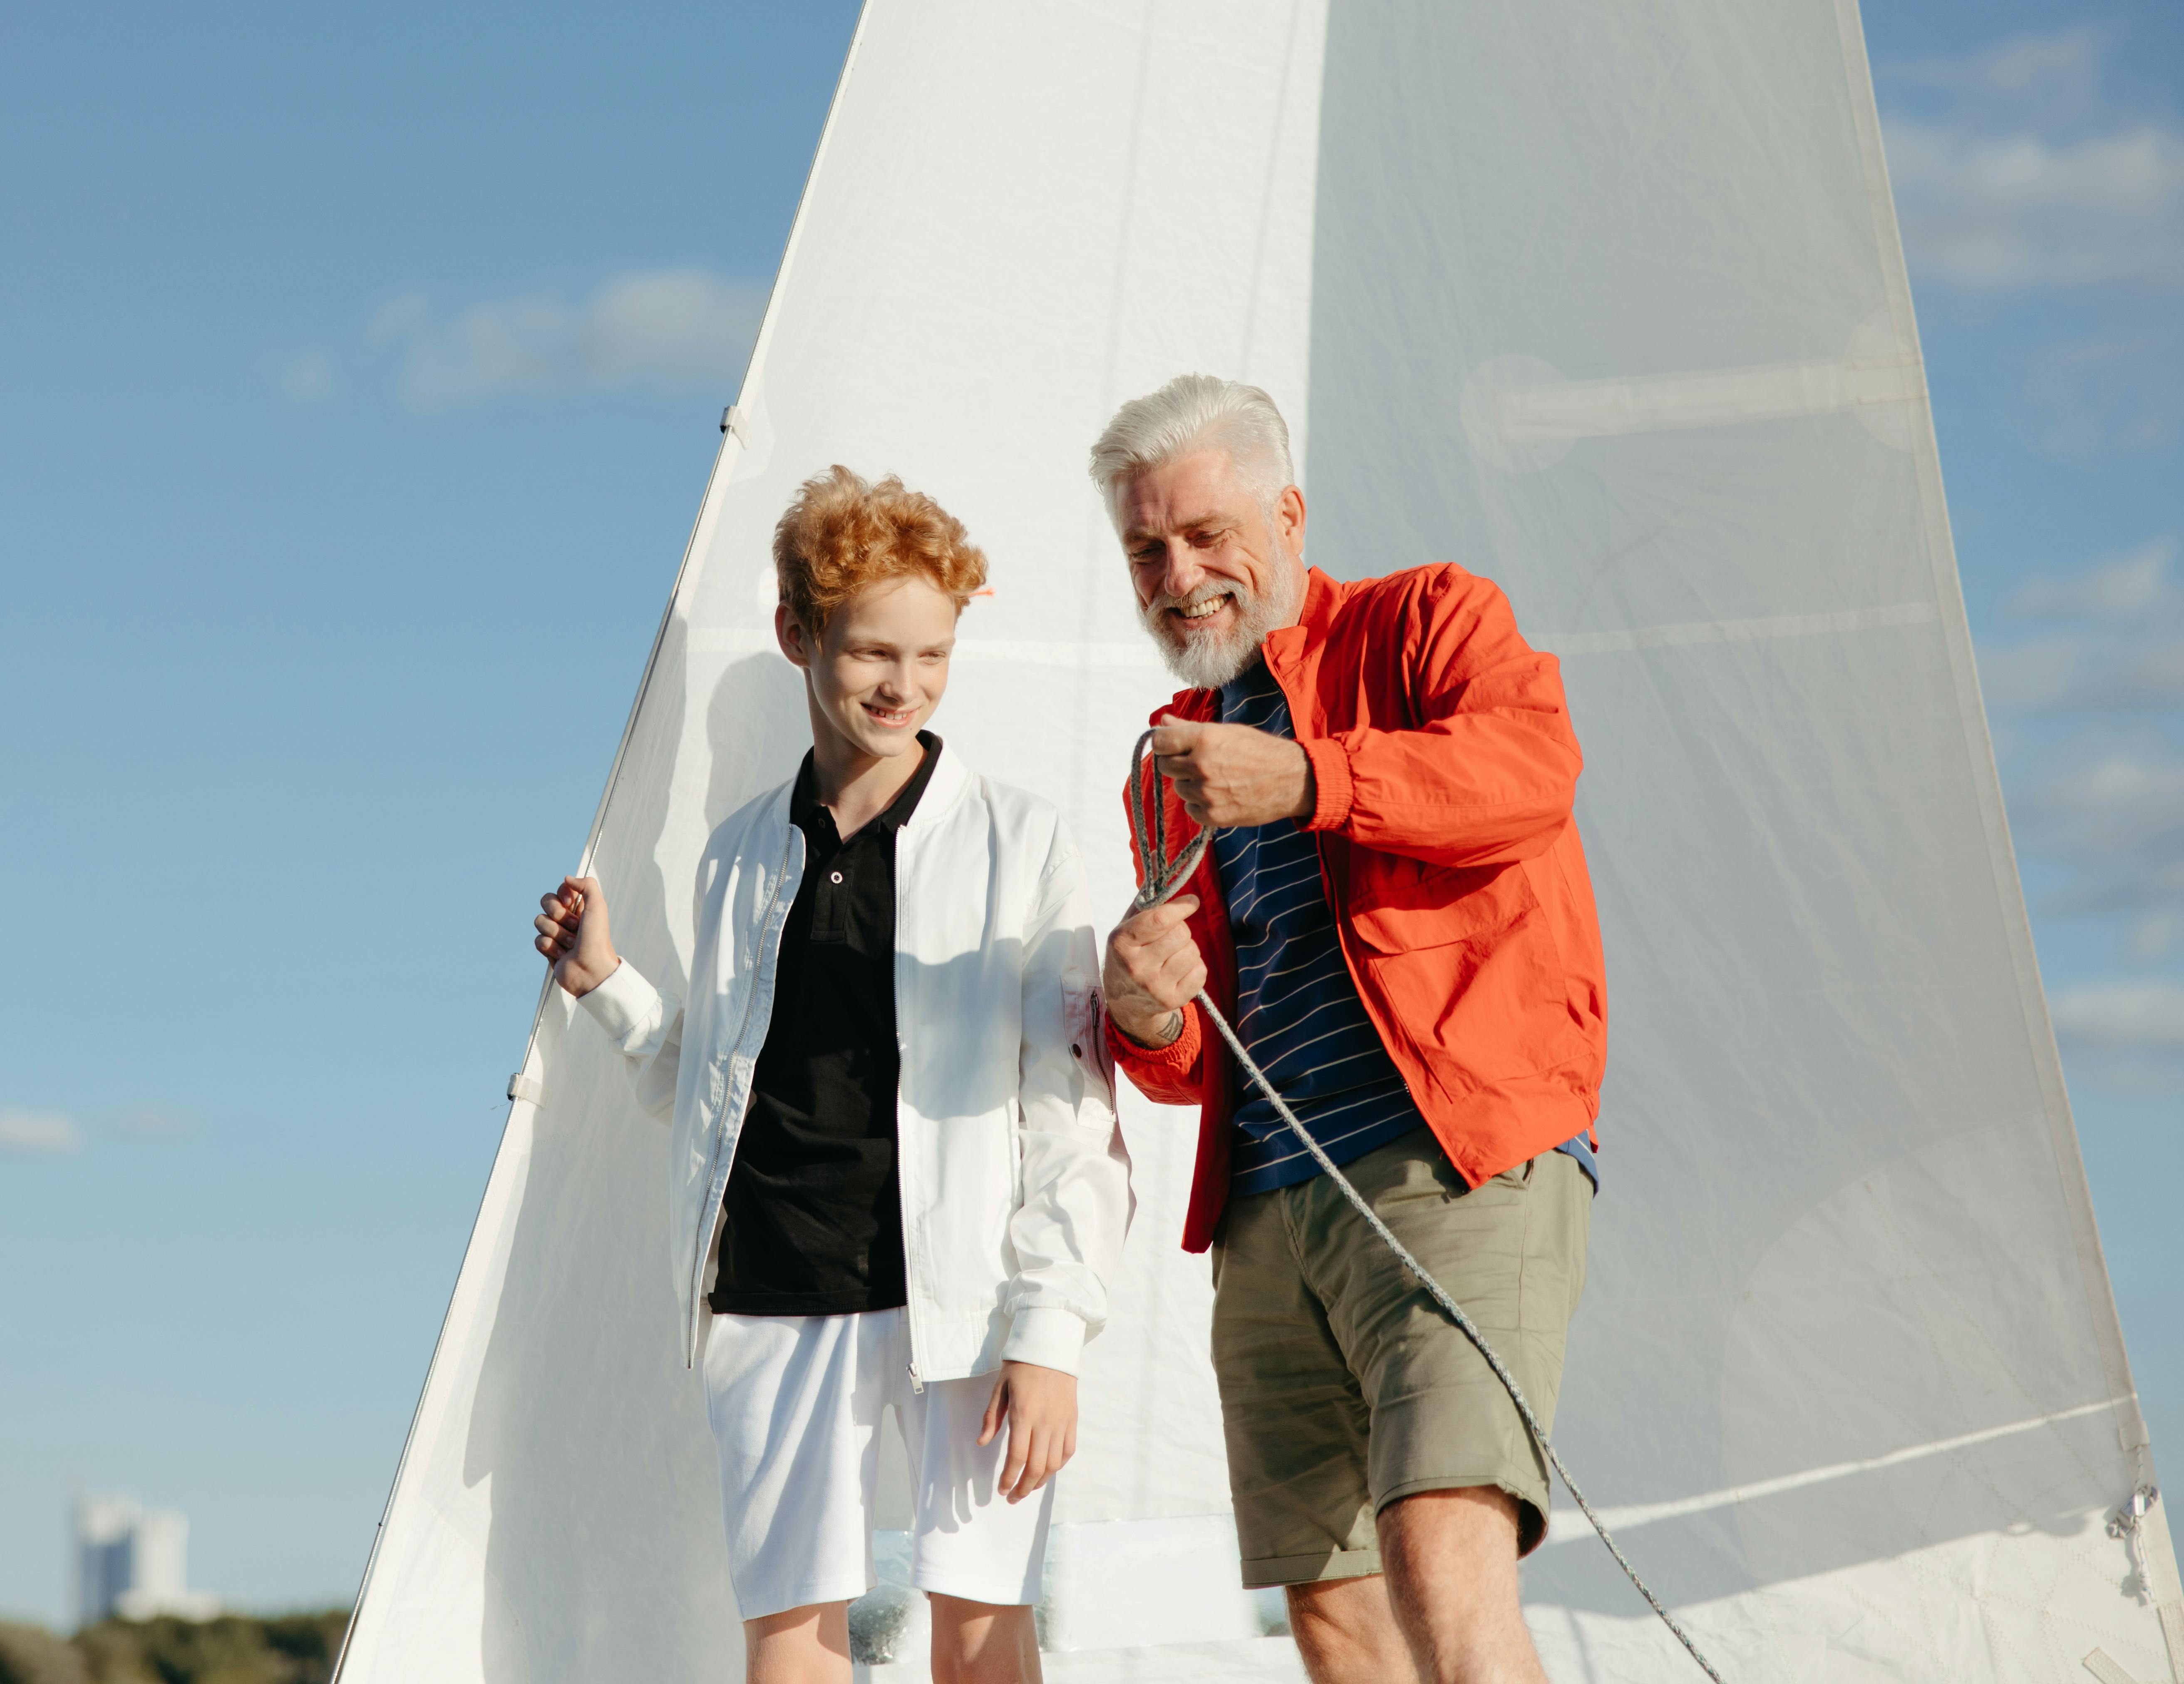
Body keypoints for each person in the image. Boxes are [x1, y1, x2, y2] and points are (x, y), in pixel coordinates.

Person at [531, 466, 1132, 1684]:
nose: (903, 684)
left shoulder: (1021, 839)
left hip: (968, 1296)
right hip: (772, 1282)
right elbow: (719, 1095)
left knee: (984, 1627)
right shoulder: (737, 852)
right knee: (789, 1641)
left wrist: (1051, 1330)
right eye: (872, 651)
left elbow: (1067, 1104)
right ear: (796, 635)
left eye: (933, 655)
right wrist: (608, 987)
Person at [1088, 376, 1606, 1684]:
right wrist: (1147, 1008)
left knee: (1439, 1550)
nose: (1179, 576)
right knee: (1328, 1609)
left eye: (1206, 533)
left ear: (1289, 516)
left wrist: (1314, 776)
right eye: (1146, 550)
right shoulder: (1165, 760)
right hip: (1266, 1209)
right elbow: (1195, 1056)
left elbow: (1533, 773)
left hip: (1450, 1167)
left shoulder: (1429, 616)